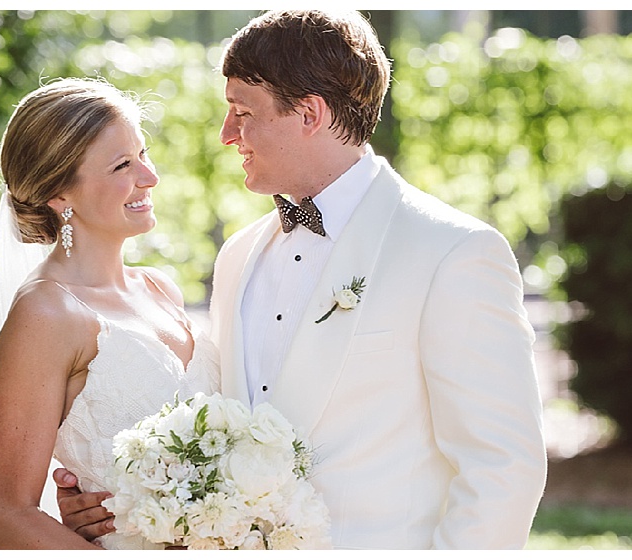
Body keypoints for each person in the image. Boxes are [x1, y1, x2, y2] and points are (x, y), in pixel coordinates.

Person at [54, 10, 548, 549]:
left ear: (309, 113)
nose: (226, 134)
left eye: (242, 112)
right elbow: (214, 431)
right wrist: (124, 497)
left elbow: (503, 468)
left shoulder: (453, 253)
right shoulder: (238, 256)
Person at [0, 78, 218, 549]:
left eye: (143, 154)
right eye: (122, 165)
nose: (149, 177)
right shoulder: (46, 314)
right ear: (60, 194)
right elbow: (9, 515)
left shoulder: (160, 287)